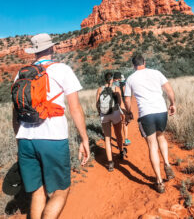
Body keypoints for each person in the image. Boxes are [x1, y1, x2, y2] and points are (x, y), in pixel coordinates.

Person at [12, 33, 90, 219]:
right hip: (52, 139)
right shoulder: (62, 69)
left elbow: (15, 113)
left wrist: (19, 141)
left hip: (25, 139)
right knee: (60, 191)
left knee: (37, 192)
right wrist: (84, 139)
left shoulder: (20, 73)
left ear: (34, 52)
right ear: (52, 48)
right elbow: (75, 108)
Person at [124, 54, 175, 193]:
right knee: (161, 137)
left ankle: (159, 181)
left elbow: (127, 100)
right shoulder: (156, 73)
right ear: (144, 62)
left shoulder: (130, 79)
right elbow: (169, 90)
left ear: (133, 65)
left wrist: (129, 112)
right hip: (161, 111)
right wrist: (172, 104)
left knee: (152, 145)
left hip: (146, 114)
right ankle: (167, 164)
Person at [96, 72, 126, 172]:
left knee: (107, 138)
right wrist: (123, 114)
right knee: (118, 135)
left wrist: (100, 113)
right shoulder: (116, 89)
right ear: (112, 79)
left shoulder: (99, 89)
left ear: (105, 79)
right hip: (115, 113)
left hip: (104, 115)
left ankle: (110, 163)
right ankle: (121, 151)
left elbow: (97, 104)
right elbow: (120, 103)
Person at [113, 72, 131, 146]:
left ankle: (119, 138)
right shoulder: (122, 84)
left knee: (117, 123)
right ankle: (126, 139)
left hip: (114, 106)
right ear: (120, 78)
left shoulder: (112, 85)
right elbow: (125, 95)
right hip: (122, 105)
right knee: (125, 122)